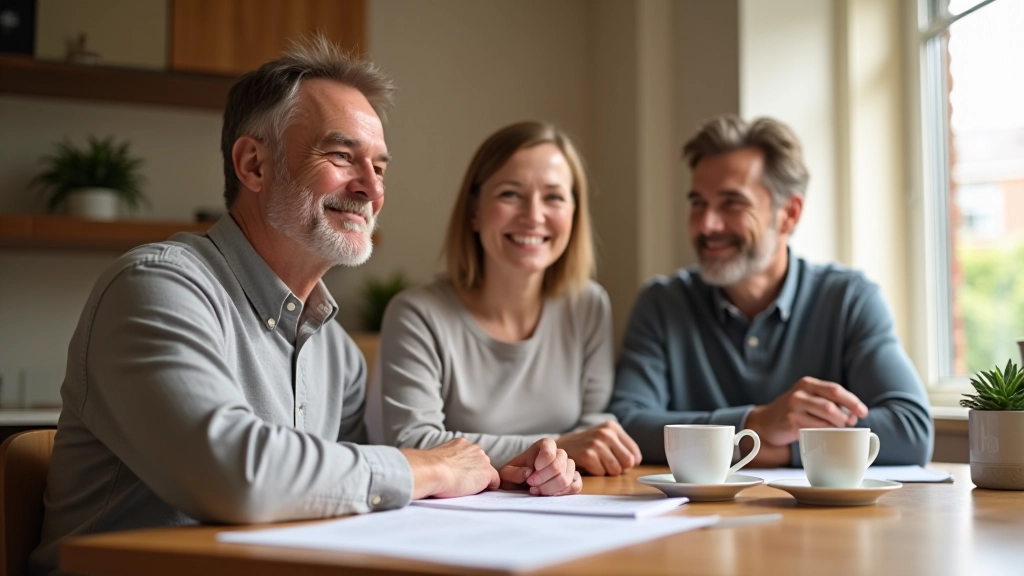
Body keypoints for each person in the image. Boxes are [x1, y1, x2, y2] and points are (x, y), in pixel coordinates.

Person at [30, 38, 574, 576]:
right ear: (253, 165)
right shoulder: (156, 287)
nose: (370, 189)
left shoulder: (337, 352)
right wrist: (423, 468)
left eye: (380, 168)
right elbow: (235, 475)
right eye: (341, 156)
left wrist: (507, 471)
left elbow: (359, 491)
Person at [610, 115, 933, 468]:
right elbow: (626, 426)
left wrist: (773, 452)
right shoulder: (662, 303)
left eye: (732, 203)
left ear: (789, 214)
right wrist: (756, 422)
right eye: (698, 203)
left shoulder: (849, 300)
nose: (706, 224)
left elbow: (911, 431)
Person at [378, 121, 641, 481]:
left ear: (574, 213)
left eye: (554, 197)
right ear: (474, 211)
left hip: (564, 500)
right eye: (510, 194)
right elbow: (414, 442)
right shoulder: (416, 315)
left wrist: (556, 461)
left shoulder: (589, 305)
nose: (533, 215)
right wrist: (558, 447)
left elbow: (593, 426)